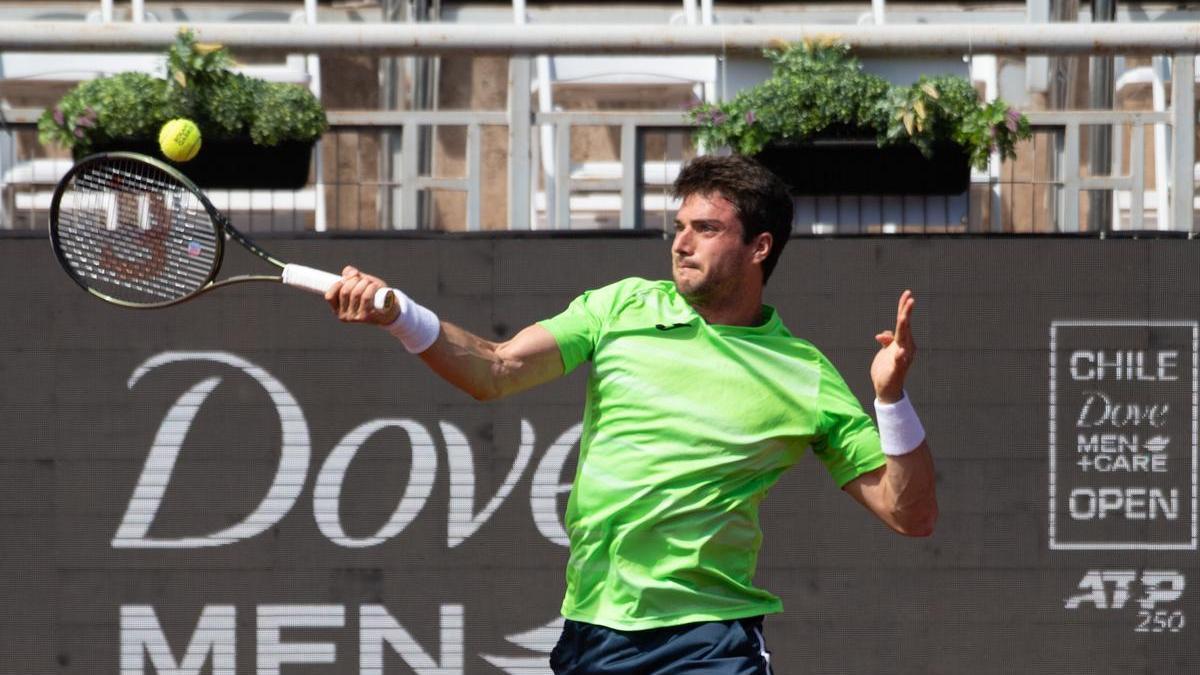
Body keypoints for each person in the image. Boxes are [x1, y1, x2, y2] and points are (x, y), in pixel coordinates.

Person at [326, 154, 938, 675]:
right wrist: (399, 314)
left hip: (709, 640)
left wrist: (891, 401)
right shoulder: (619, 307)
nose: (681, 243)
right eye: (677, 227)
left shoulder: (802, 372)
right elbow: (496, 368)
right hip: (594, 628)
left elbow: (908, 513)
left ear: (759, 246)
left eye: (705, 228)